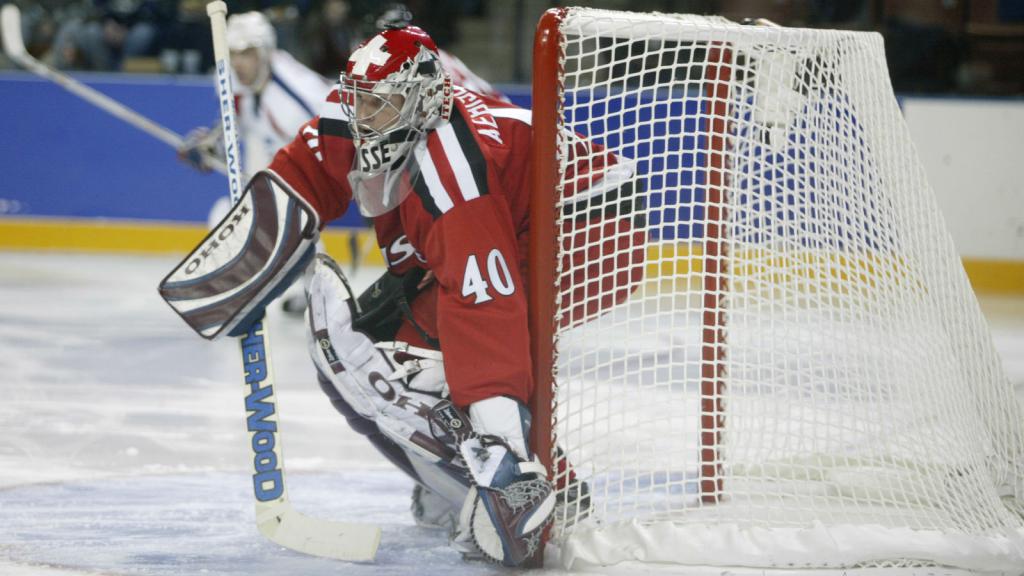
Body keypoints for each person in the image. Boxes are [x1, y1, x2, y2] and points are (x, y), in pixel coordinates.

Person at [233, 25, 641, 565]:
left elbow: (484, 305)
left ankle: (527, 489)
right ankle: (470, 483)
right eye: (359, 102)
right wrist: (240, 270)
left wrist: (505, 455)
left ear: (422, 100)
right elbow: (312, 162)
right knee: (365, 355)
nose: (364, 119)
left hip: (591, 232)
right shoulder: (378, 115)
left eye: (381, 106)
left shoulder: (452, 174)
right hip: (520, 219)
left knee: (415, 364)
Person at [177, 10, 331, 228]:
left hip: (306, 178)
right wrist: (210, 145)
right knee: (225, 215)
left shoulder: (294, 97)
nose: (238, 63)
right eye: (233, 54)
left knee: (232, 218)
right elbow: (235, 124)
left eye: (247, 53)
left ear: (265, 52)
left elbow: (335, 143)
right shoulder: (232, 77)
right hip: (275, 161)